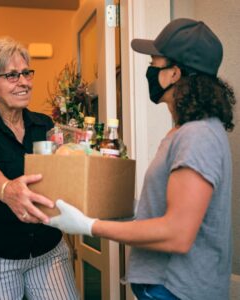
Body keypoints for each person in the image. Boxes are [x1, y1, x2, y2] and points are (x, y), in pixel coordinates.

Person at [46, 18, 236, 300]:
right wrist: (106, 204)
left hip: (177, 291)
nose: (149, 71)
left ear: (174, 74)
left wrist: (89, 227)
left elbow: (177, 233)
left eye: (154, 63)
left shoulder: (198, 135)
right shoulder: (184, 131)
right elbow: (165, 209)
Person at [0, 37, 79, 300]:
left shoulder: (44, 125)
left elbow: (63, 168)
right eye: (12, 75)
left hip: (48, 248)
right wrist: (7, 189)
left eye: (26, 73)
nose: (24, 82)